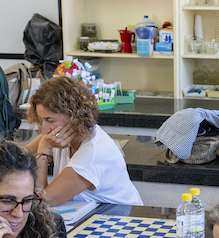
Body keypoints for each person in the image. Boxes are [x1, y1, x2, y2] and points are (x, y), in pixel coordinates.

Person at [25, 76, 142, 206]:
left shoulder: (93, 153)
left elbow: (42, 202)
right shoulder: (59, 134)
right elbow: (16, 159)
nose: (44, 129)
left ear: (74, 117)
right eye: (42, 120)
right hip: (90, 212)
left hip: (117, 218)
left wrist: (44, 149)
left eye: (50, 120)